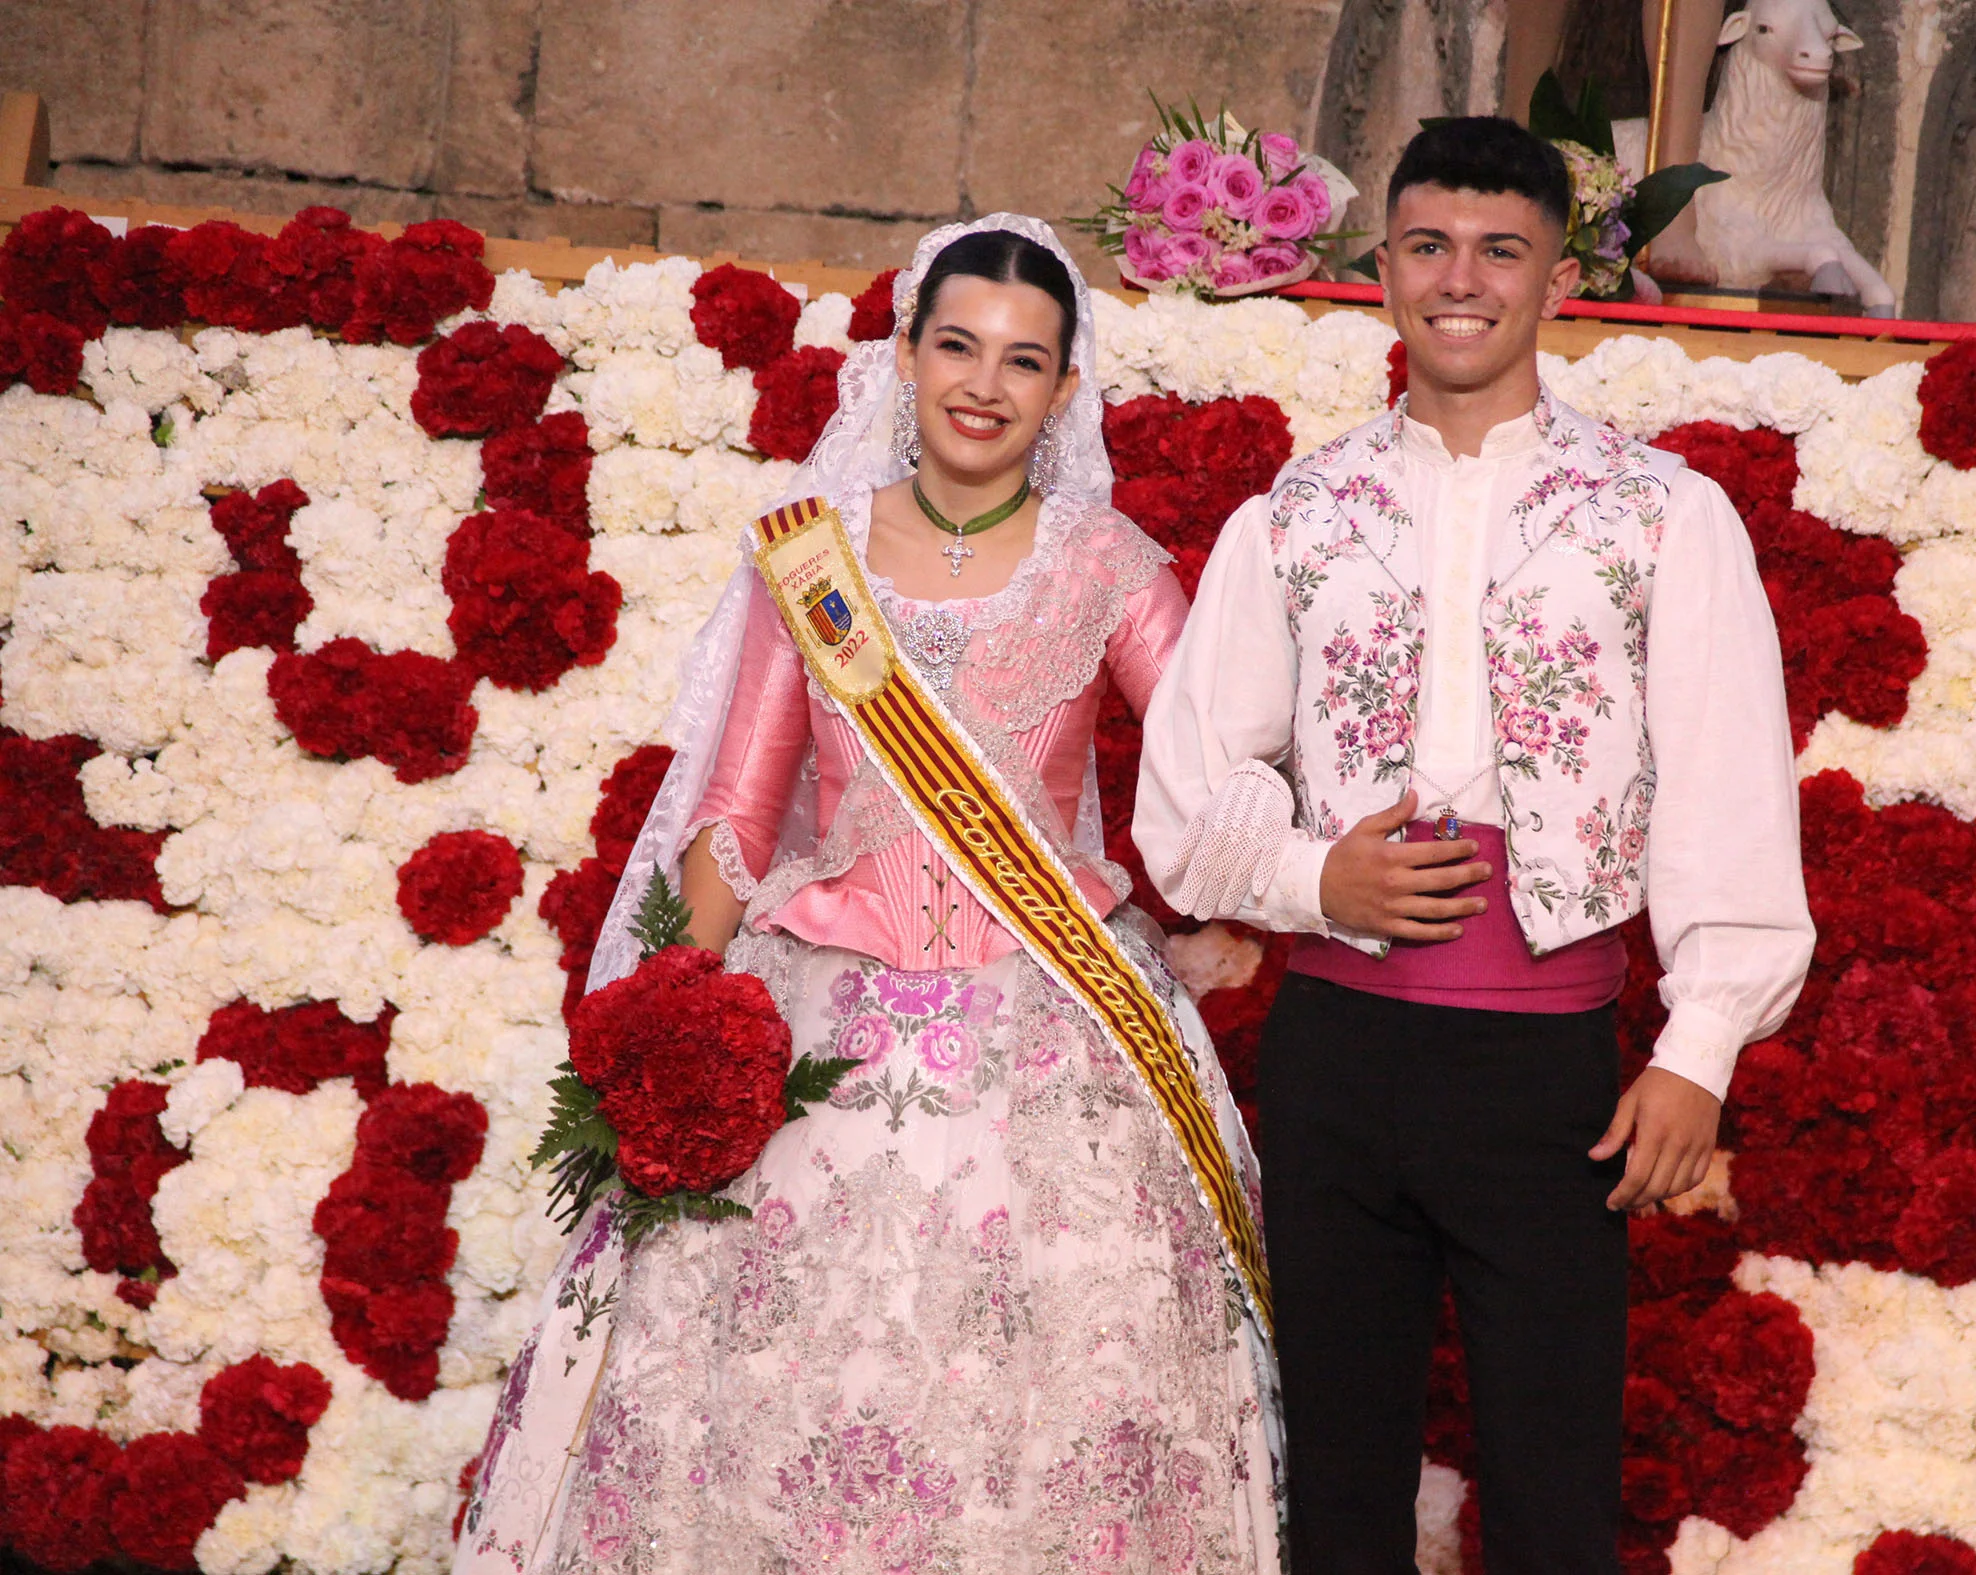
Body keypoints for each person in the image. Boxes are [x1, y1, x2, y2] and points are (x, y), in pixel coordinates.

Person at [455, 216, 1284, 1575]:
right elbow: (735, 808)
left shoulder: (1111, 566)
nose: (983, 381)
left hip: (1053, 1033)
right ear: (902, 355)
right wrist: (676, 1010)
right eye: (956, 344)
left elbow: (1218, 775)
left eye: (1024, 360)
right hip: (816, 1028)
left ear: (1065, 388)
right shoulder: (813, 554)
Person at [1135, 118, 1812, 1573]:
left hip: (1543, 1080)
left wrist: (1696, 1050)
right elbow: (1186, 791)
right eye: (1429, 245)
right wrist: (1315, 877)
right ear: (1380, 269)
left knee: (1555, 1490)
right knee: (1339, 1484)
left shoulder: (1659, 516)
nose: (1462, 279)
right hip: (1334, 1058)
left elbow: (1725, 787)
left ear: (1557, 279)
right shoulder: (1298, 514)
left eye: (1499, 249)